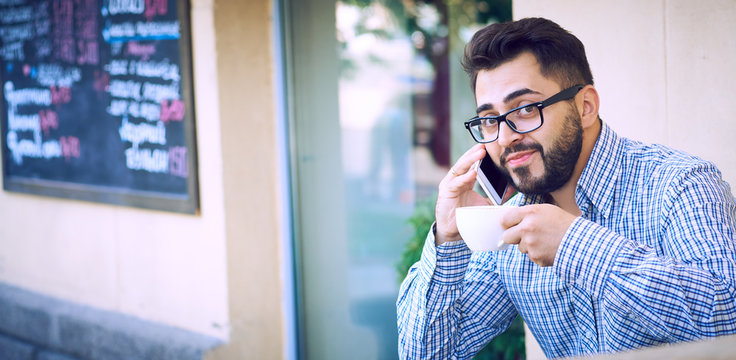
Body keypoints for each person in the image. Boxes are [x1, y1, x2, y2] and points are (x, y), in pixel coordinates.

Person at [396, 17, 736, 359]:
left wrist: (573, 244)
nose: (506, 136)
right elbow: (428, 355)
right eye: (489, 119)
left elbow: (728, 318)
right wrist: (449, 237)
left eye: (526, 109)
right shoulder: (509, 225)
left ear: (585, 107)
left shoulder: (680, 184)